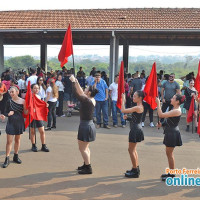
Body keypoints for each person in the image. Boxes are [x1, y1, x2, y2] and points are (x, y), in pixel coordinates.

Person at [69, 75, 98, 174]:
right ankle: (86, 164)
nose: (84, 89)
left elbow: (76, 94)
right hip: (88, 125)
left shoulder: (86, 100)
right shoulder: (90, 99)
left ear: (89, 92)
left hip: (86, 126)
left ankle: (88, 167)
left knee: (82, 148)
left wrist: (73, 82)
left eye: (86, 88)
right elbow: (81, 92)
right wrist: (76, 82)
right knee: (85, 148)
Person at [156, 94, 184, 181]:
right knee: (169, 154)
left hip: (172, 133)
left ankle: (172, 174)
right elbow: (170, 120)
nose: (171, 99)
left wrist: (158, 104)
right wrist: (162, 124)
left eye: (173, 98)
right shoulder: (174, 109)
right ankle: (171, 172)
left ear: (177, 101)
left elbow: (161, 115)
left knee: (170, 154)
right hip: (170, 132)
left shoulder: (177, 110)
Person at [0, 86, 27, 168]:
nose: (11, 93)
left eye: (13, 92)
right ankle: (7, 158)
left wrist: (30, 109)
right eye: (10, 92)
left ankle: (16, 156)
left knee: (17, 140)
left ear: (17, 92)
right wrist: (6, 115)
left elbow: (25, 112)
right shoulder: (9, 101)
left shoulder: (23, 101)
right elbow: (5, 112)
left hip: (19, 122)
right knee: (9, 141)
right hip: (11, 122)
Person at [121, 91, 144, 178]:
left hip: (135, 130)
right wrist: (129, 118)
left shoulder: (137, 107)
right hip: (136, 128)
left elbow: (123, 110)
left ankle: (135, 170)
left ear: (140, 98)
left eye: (134, 96)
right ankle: (136, 168)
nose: (133, 97)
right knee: (133, 150)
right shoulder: (140, 107)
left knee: (131, 150)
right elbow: (136, 119)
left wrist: (123, 100)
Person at [30, 84, 49, 152]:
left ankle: (43, 145)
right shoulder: (29, 97)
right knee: (32, 131)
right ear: (31, 89)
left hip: (38, 115)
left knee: (42, 131)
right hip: (32, 115)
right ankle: (33, 145)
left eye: (37, 88)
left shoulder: (39, 96)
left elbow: (40, 105)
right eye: (35, 88)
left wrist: (45, 105)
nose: (36, 89)